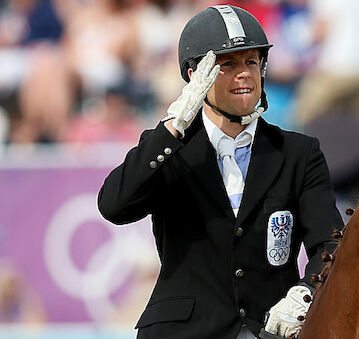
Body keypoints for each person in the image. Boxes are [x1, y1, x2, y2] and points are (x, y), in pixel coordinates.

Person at [97, 5, 343, 339]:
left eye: (252, 62)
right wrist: (172, 129)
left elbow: (330, 242)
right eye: (227, 64)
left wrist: (305, 292)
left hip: (269, 327)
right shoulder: (169, 150)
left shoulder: (299, 153)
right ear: (195, 75)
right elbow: (114, 205)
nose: (244, 73)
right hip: (183, 330)